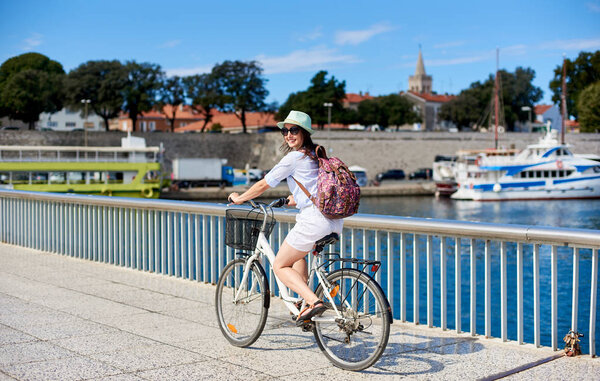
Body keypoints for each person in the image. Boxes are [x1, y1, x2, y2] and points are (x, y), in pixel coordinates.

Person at [228, 110, 343, 325]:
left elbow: (264, 184)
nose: (288, 135)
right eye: (285, 131)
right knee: (298, 256)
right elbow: (315, 188)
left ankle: (313, 301)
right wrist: (295, 199)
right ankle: (303, 303)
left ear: (305, 133)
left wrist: (240, 198)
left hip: (314, 221)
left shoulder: (294, 157)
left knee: (279, 265)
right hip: (334, 220)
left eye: (294, 130)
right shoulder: (314, 155)